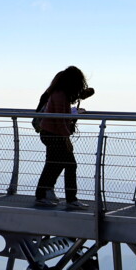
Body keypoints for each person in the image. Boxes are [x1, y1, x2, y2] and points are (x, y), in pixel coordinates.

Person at [34, 66, 90, 210]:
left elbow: (60, 116)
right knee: (68, 165)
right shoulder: (60, 95)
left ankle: (43, 195)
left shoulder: (58, 93)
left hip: (50, 133)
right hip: (54, 135)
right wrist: (66, 139)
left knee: (54, 164)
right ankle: (67, 199)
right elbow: (59, 120)